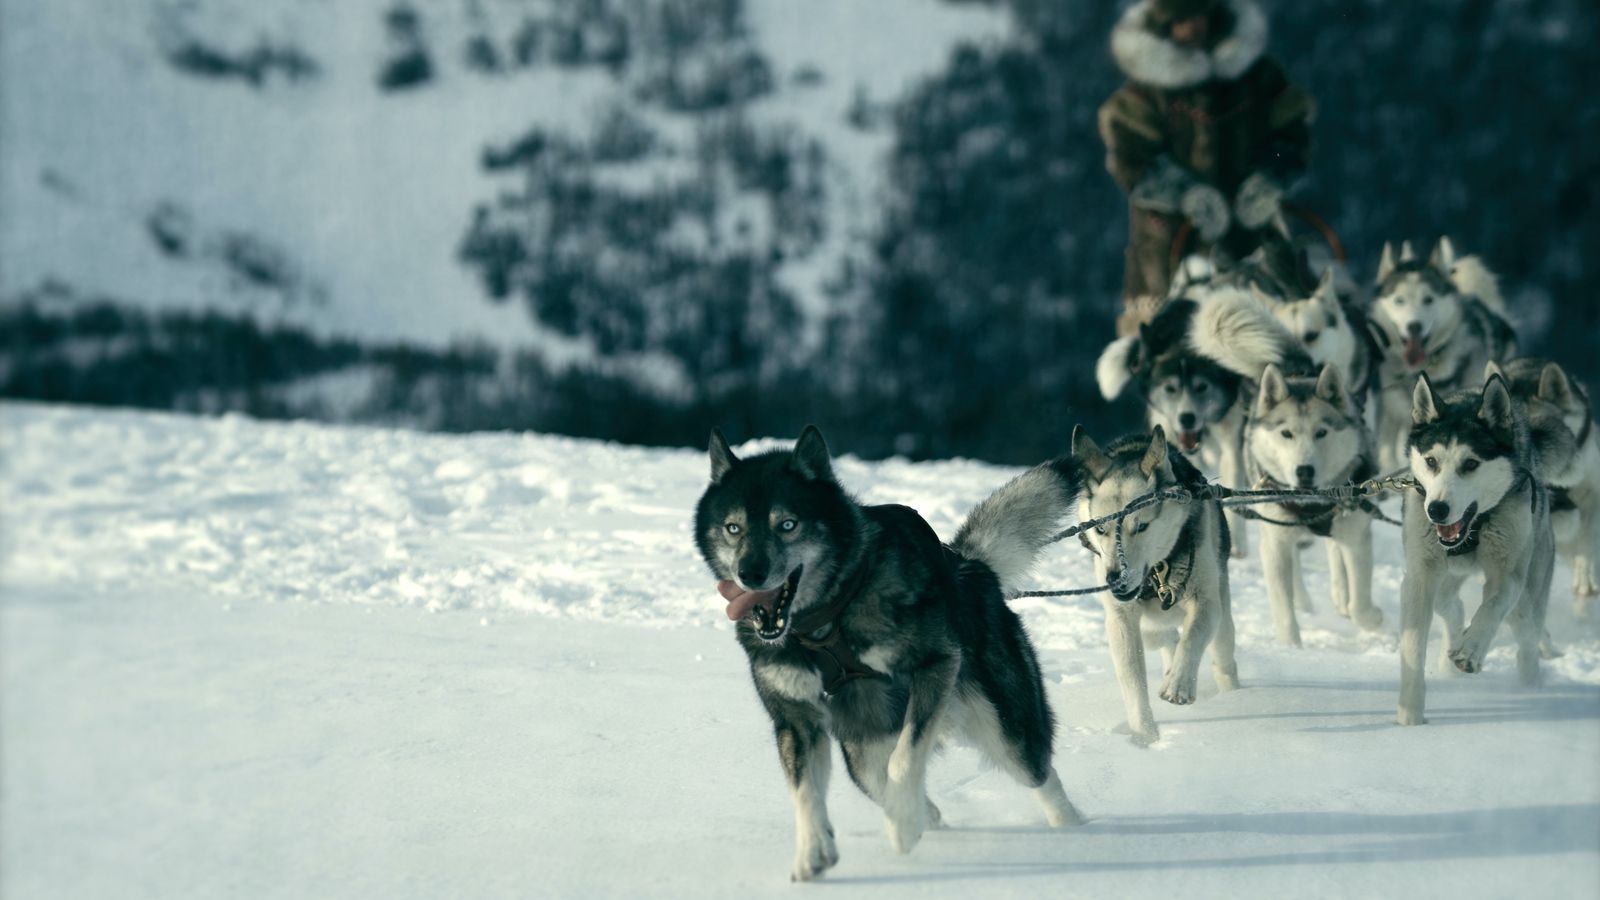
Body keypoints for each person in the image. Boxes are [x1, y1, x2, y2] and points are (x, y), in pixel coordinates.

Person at [1099, 0, 1315, 336]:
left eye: (1198, 17)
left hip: (1251, 225)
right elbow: (1131, 158)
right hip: (1168, 242)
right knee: (1172, 340)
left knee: (1285, 322)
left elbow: (1291, 132)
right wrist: (1185, 194)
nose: (1192, 28)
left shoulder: (1258, 77)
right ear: (1165, 27)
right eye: (1181, 20)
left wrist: (1270, 179)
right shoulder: (1144, 92)